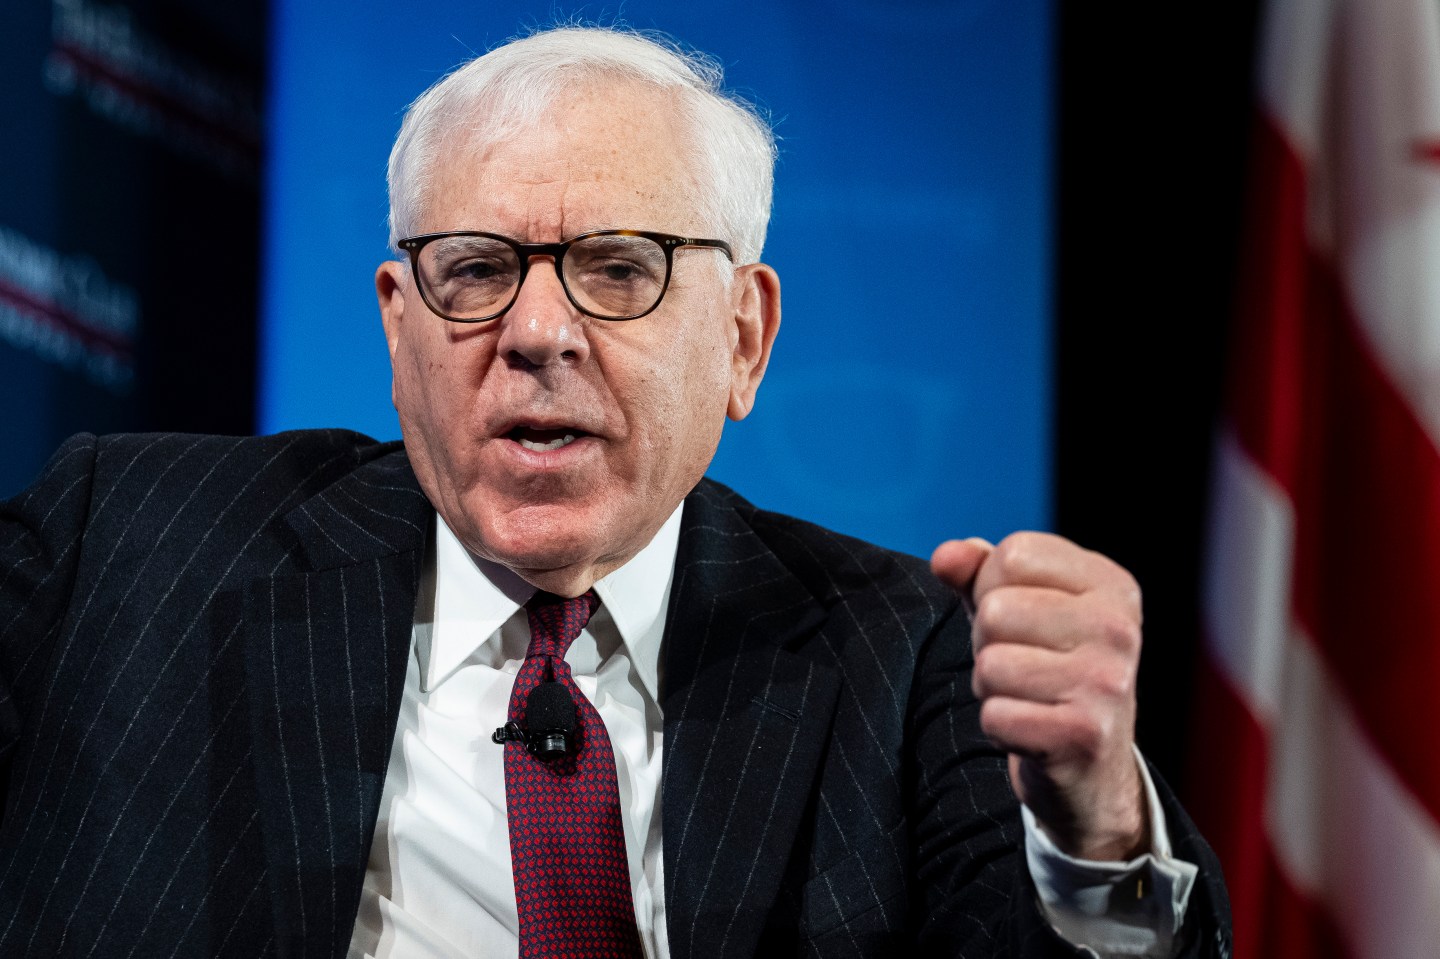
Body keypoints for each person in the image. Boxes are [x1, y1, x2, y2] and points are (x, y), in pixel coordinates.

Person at [0, 25, 1230, 959]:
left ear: (743, 339)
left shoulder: (910, 658)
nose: (539, 330)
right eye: (473, 270)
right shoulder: (123, 543)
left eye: (618, 269)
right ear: (398, 326)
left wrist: (1096, 828)